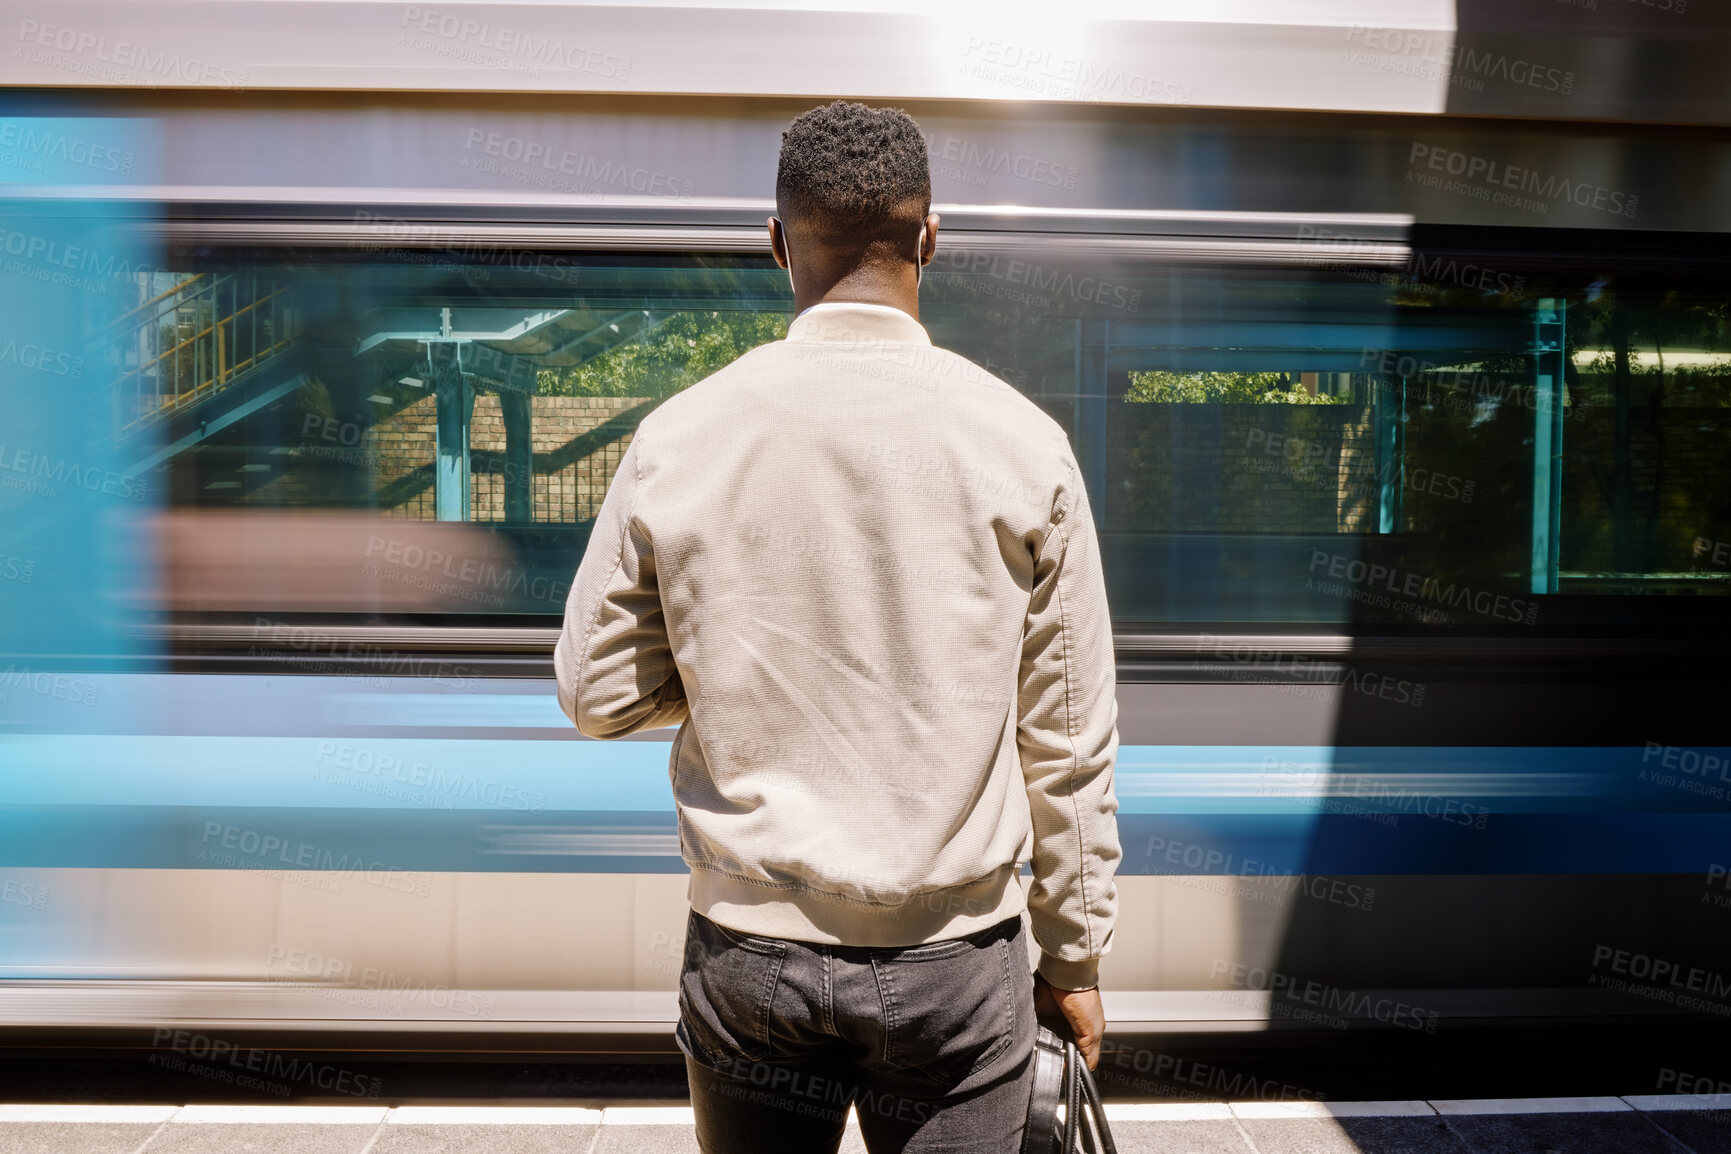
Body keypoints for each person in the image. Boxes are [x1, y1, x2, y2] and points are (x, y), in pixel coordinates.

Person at [556, 99, 1121, 1154]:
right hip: (959, 966)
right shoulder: (1025, 444)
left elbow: (594, 692)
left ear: (777, 243)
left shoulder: (680, 435)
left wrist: (722, 659)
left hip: (747, 954)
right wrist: (1076, 957)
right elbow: (1068, 740)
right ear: (931, 237)